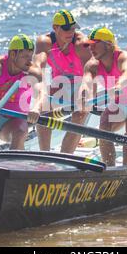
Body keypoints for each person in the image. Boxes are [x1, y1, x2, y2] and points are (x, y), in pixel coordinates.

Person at [79, 27, 127, 166]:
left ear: (108, 44)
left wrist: (119, 85)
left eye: (95, 44)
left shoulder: (124, 57)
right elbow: (86, 81)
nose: (91, 48)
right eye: (89, 45)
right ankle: (110, 169)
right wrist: (83, 95)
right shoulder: (92, 65)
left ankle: (126, 168)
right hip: (119, 103)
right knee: (104, 126)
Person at [33, 9, 92, 153]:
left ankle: (66, 156)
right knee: (43, 113)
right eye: (66, 29)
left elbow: (91, 73)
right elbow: (37, 68)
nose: (71, 32)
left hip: (82, 83)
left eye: (73, 28)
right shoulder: (44, 42)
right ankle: (45, 156)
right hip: (60, 85)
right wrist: (39, 99)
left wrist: (85, 94)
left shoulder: (81, 44)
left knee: (79, 113)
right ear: (55, 28)